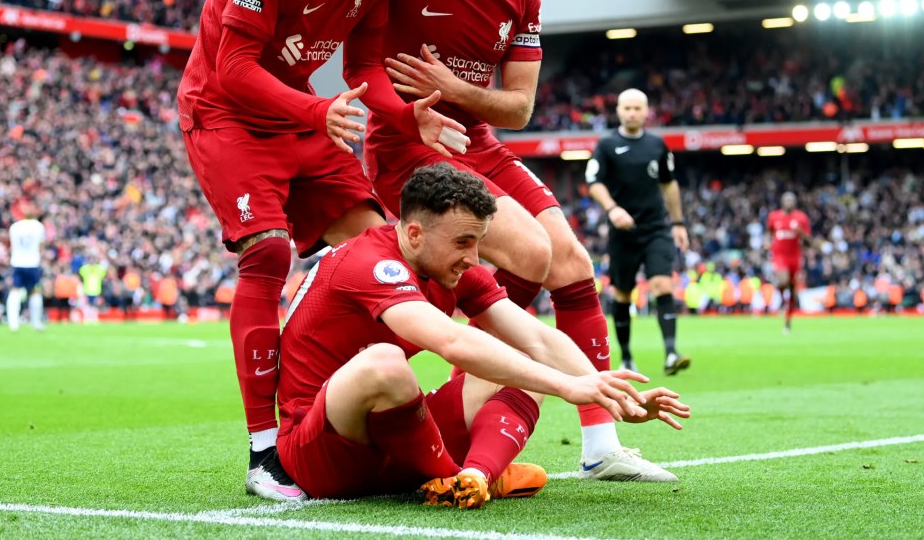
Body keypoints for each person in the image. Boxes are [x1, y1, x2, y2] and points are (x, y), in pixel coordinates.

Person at [246, 0, 676, 483]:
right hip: (408, 144)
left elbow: (521, 107)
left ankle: (600, 444)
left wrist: (455, 87)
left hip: (476, 141)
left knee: (575, 264)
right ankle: (480, 381)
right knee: (531, 254)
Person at [177, 0, 469, 501]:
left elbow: (363, 63)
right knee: (269, 255)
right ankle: (263, 453)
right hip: (225, 112)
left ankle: (354, 400)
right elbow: (233, 67)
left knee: (382, 249)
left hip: (301, 109)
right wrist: (317, 112)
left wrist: (406, 114)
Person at [277, 163, 690, 507]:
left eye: (478, 242)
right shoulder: (367, 262)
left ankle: (473, 477)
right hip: (324, 455)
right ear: (415, 233)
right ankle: (453, 473)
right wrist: (567, 386)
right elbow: (451, 341)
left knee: (522, 360)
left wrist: (611, 398)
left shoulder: (449, 266)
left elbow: (538, 340)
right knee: (385, 362)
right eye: (462, 242)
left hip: (401, 445)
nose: (473, 258)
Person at [585, 89, 691, 376]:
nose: (632, 113)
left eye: (637, 108)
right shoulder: (607, 145)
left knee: (662, 285)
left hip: (656, 228)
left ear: (646, 112)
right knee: (622, 293)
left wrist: (679, 223)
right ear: (618, 111)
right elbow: (593, 181)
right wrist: (612, 209)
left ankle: (671, 353)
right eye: (627, 108)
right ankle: (627, 357)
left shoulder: (657, 145)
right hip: (623, 232)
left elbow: (669, 184)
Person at [765, 191, 812, 333]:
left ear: (795, 203)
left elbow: (809, 242)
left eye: (792, 200)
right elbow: (769, 232)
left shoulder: (801, 218)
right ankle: (780, 297)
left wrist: (801, 234)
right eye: (787, 200)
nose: (789, 203)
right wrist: (767, 243)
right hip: (780, 256)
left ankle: (787, 321)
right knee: (783, 280)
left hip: (795, 257)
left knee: (792, 290)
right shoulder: (774, 217)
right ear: (782, 202)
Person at [7, 207, 47, 332]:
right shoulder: (38, 226)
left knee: (15, 291)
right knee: (35, 292)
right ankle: (36, 322)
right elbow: (41, 244)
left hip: (17, 262)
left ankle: (13, 323)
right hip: (32, 263)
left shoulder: (15, 227)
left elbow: (11, 244)